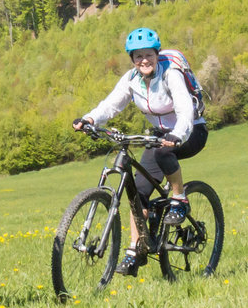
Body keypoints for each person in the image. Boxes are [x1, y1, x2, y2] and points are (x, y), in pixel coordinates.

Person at [71, 27, 207, 275]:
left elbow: (186, 110)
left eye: (148, 55)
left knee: (165, 153)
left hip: (190, 131)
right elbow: (111, 104)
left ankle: (179, 199)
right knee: (139, 195)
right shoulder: (131, 79)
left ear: (157, 54)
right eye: (137, 56)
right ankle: (135, 249)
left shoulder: (171, 75)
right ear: (132, 59)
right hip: (160, 136)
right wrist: (90, 119)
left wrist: (177, 135)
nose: (143, 60)